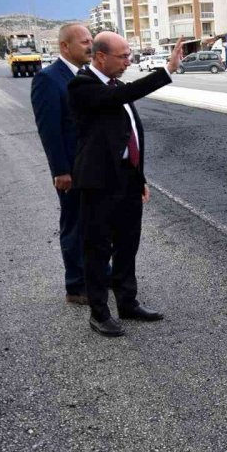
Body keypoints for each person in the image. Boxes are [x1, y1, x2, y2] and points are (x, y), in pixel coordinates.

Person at [68, 32, 184, 337]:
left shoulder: (116, 86)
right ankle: (99, 313)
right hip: (99, 182)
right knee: (97, 248)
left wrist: (140, 177)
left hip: (127, 178)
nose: (128, 61)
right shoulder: (83, 86)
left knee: (127, 244)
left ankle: (127, 302)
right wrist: (167, 69)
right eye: (124, 57)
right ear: (101, 57)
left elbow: (131, 135)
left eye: (129, 56)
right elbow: (119, 99)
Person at [30, 24, 94, 304]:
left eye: (91, 40)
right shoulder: (48, 79)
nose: (90, 46)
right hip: (71, 170)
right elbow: (50, 129)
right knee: (75, 225)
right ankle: (76, 286)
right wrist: (60, 170)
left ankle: (97, 274)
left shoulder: (87, 76)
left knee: (94, 225)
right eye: (84, 42)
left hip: (93, 167)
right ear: (65, 47)